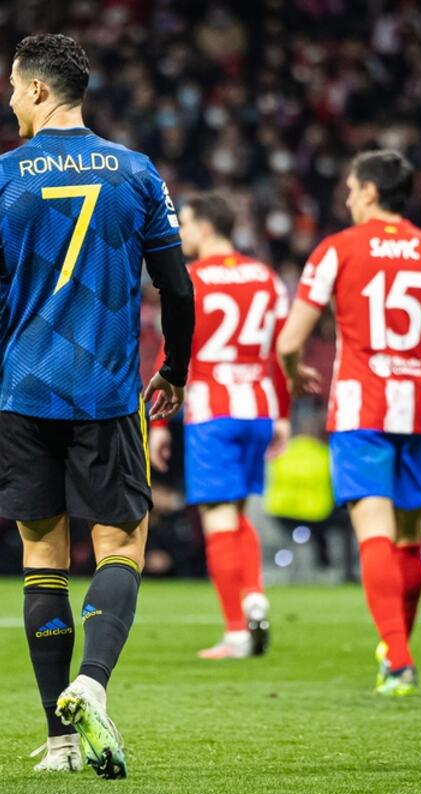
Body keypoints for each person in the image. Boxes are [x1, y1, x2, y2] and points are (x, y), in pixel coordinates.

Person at [0, 33, 194, 778]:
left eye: (13, 88)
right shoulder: (135, 171)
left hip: (27, 393)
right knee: (120, 546)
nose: (9, 100)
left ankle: (58, 744)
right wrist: (174, 369)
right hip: (107, 392)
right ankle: (92, 683)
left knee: (42, 559)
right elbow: (177, 288)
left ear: (38, 89)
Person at [276, 150, 421, 697]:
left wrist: (294, 374)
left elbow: (290, 340)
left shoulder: (336, 250)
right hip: (419, 410)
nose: (347, 199)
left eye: (351, 189)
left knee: (374, 534)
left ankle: (397, 658)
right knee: (409, 539)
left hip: (360, 408)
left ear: (370, 190)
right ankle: (397, 651)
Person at [147, 193, 291, 660]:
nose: (181, 232)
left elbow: (174, 349)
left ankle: (235, 631)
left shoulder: (192, 278)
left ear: (207, 227)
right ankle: (254, 596)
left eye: (186, 223)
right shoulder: (266, 277)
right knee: (238, 513)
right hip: (259, 407)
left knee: (217, 518)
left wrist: (160, 421)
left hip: (213, 410)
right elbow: (282, 351)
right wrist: (283, 414)